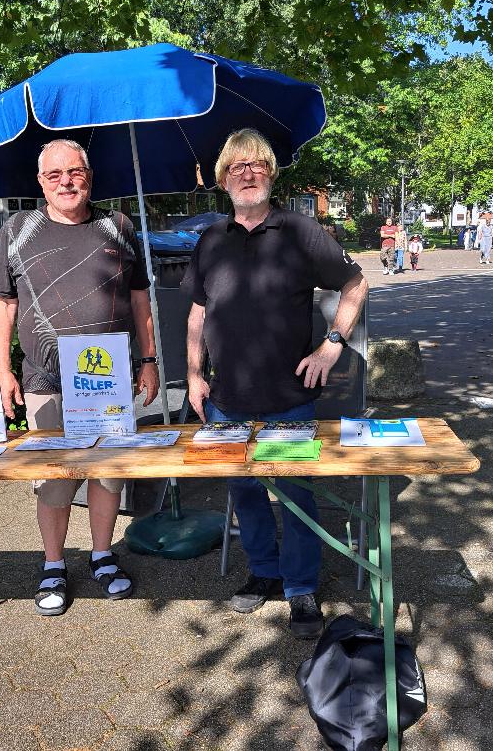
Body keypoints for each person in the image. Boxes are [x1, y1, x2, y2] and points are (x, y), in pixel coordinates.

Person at [183, 128, 368, 639]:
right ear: (223, 179)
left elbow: (355, 284)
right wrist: (195, 375)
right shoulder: (211, 239)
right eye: (237, 166)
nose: (248, 173)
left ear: (271, 173)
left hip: (289, 397)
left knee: (294, 492)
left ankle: (302, 587)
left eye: (257, 165)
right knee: (243, 491)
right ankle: (263, 572)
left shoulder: (299, 231)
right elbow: (198, 311)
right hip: (227, 399)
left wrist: (332, 343)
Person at [0, 139, 160, 617]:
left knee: (107, 473)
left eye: (75, 171)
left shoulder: (118, 226)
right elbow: (3, 304)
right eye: (55, 174)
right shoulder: (17, 230)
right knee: (55, 479)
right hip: (45, 379)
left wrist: (149, 360)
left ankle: (102, 556)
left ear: (90, 175)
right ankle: (55, 564)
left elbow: (140, 298)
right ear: (41, 182)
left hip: (107, 378)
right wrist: (2, 371)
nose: (67, 181)